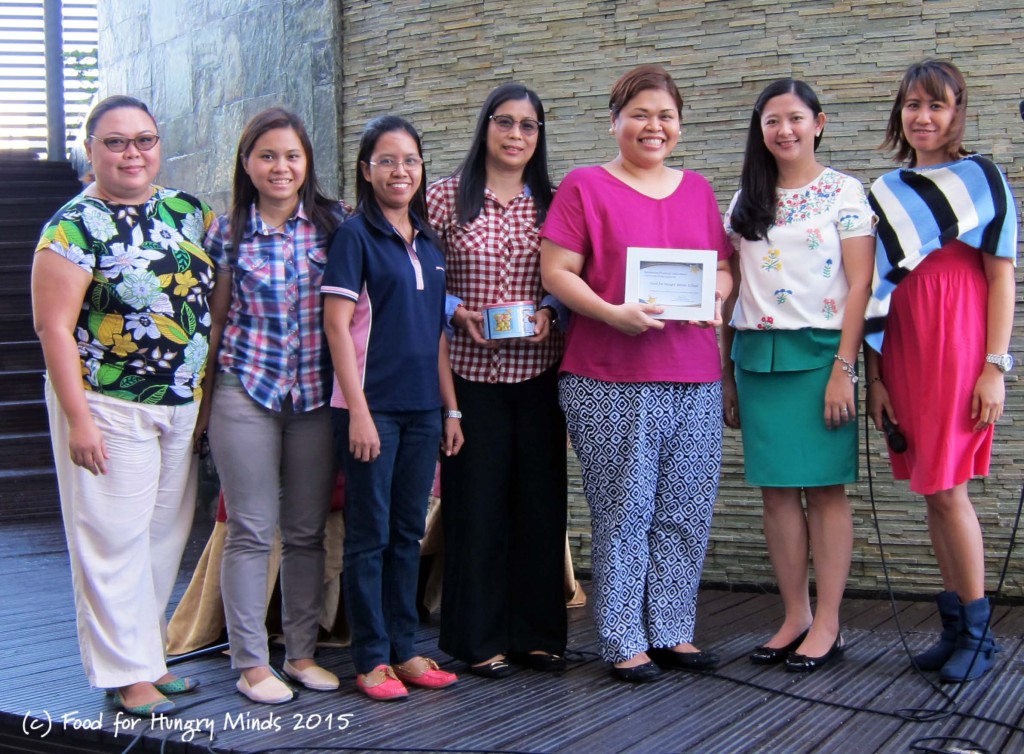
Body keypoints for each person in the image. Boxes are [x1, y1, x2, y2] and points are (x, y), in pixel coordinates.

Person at [540, 64, 732, 683]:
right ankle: (623, 637)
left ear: (679, 125)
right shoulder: (585, 186)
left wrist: (716, 297)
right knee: (625, 510)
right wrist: (611, 314)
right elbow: (557, 272)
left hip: (693, 376)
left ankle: (672, 629)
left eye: (666, 115)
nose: (654, 126)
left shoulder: (699, 190)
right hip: (608, 375)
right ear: (615, 120)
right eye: (641, 113)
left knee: (685, 510)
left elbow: (722, 270)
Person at [31, 95, 214, 715]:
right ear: (91, 149)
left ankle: (146, 660)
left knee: (161, 537)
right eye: (115, 141)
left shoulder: (187, 211)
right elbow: (52, 327)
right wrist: (78, 418)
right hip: (108, 403)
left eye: (144, 139)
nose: (132, 153)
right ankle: (124, 674)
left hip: (179, 401)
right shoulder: (70, 227)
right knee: (111, 540)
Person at [864, 59, 1017, 683]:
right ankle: (955, 627)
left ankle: (978, 635)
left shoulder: (982, 178)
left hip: (958, 342)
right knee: (931, 487)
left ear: (958, 112)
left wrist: (994, 366)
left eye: (938, 105)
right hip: (904, 343)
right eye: (912, 105)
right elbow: (872, 288)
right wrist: (874, 377)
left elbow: (1002, 274)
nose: (923, 117)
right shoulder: (883, 191)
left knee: (949, 487)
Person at [720, 79, 875, 673]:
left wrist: (845, 370)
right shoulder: (745, 200)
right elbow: (734, 288)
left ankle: (830, 623)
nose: (784, 130)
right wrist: (728, 374)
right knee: (777, 494)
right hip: (757, 357)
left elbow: (861, 285)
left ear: (819, 122)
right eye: (771, 121)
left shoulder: (843, 191)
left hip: (820, 357)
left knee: (825, 490)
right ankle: (795, 616)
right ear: (759, 130)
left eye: (795, 118)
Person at [200, 107, 348, 704]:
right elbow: (214, 321)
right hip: (245, 390)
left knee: (307, 530)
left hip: (315, 395)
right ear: (247, 163)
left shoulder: (335, 226)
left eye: (291, 155)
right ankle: (251, 663)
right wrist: (204, 400)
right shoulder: (226, 230)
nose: (280, 167)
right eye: (267, 156)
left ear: (307, 161)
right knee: (251, 528)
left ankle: (303, 652)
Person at [426, 83, 568, 679]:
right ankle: (477, 638)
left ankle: (536, 634)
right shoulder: (440, 199)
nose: (516, 136)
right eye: (505, 122)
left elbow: (574, 274)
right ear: (485, 126)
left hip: (540, 374)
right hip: (468, 375)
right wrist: (455, 307)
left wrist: (550, 311)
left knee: (540, 506)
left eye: (528, 126)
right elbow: (415, 276)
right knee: (476, 507)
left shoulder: (556, 200)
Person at [323, 115, 464, 701]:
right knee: (369, 536)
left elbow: (436, 336)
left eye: (409, 159)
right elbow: (335, 326)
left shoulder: (430, 243)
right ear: (366, 170)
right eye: (386, 160)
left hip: (423, 409)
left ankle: (407, 650)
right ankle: (371, 657)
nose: (399, 170)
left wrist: (451, 410)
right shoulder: (354, 236)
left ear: (421, 168)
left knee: (408, 533)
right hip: (370, 410)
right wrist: (356, 411)